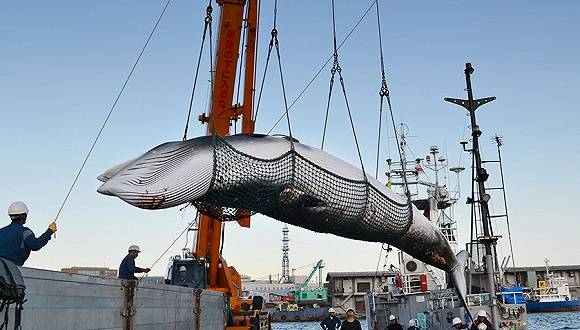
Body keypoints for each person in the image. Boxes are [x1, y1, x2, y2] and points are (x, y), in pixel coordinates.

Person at [0, 201, 57, 266]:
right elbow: (35, 245)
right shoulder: (25, 232)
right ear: (23, 216)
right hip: (13, 269)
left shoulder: (1, 231)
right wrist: (50, 231)